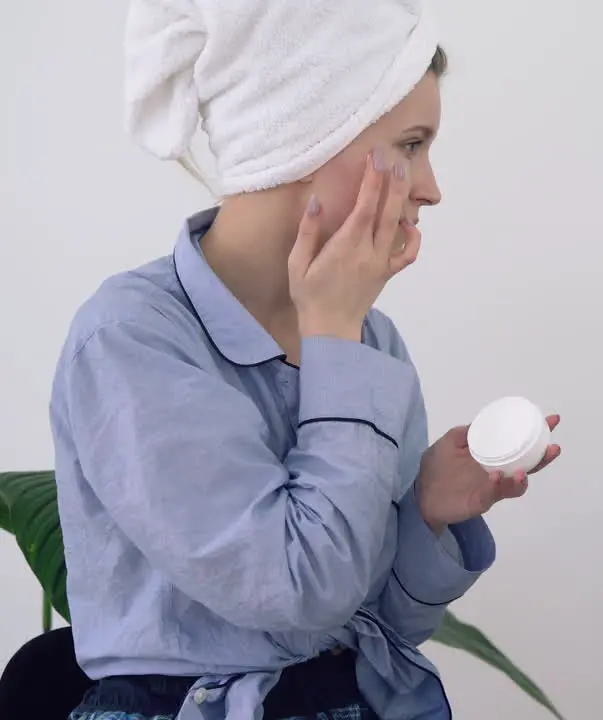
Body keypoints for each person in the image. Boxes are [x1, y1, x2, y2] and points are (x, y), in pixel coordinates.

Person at [48, 1, 560, 718]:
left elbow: (379, 627)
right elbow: (298, 593)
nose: (432, 187)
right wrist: (333, 334)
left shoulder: (368, 338)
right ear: (303, 137)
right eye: (411, 144)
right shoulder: (131, 339)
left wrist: (427, 513)